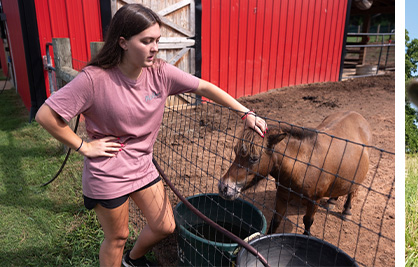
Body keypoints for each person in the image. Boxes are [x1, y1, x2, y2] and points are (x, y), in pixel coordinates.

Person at [35, 4, 267, 266]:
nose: (155, 47)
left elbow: (204, 86)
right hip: (107, 173)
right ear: (122, 42)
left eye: (157, 40)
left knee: (165, 225)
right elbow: (45, 115)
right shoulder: (94, 79)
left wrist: (245, 113)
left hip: (143, 167)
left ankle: (133, 260)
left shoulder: (161, 73)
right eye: (146, 41)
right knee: (118, 236)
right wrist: (83, 147)